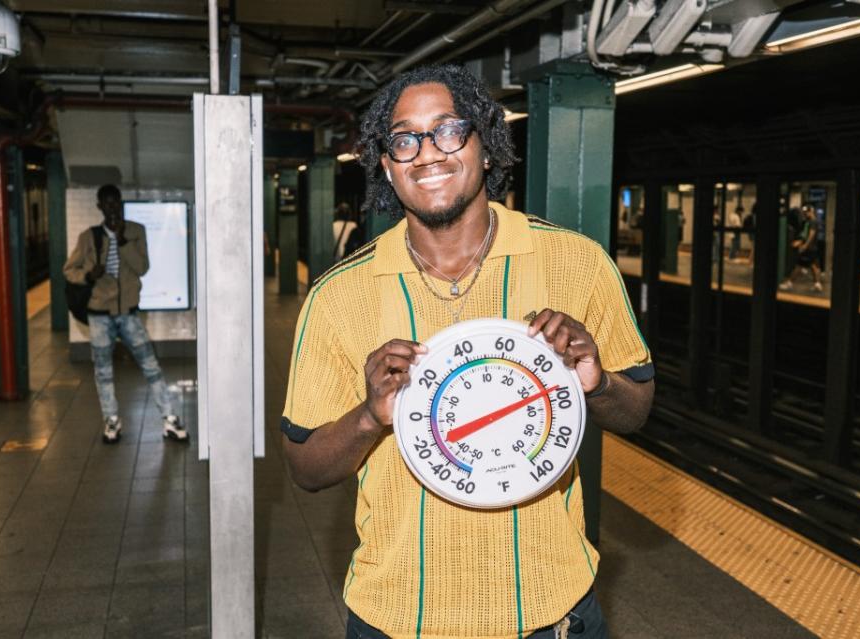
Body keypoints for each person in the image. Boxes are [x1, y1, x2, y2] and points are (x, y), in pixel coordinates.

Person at [280, 65, 654, 639]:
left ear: (486, 145)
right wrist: (368, 417)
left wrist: (597, 382)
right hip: (396, 618)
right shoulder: (339, 296)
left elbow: (637, 410)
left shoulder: (577, 264)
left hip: (552, 616)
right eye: (403, 139)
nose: (426, 152)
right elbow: (304, 466)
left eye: (448, 130)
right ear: (386, 164)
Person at [63, 184, 188, 444]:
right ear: (100, 207)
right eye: (106, 204)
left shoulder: (135, 231)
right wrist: (87, 275)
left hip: (129, 314)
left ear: (120, 204)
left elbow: (142, 267)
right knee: (104, 371)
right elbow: (68, 270)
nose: (112, 209)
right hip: (99, 314)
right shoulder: (89, 237)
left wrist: (122, 243)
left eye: (115, 203)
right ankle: (112, 421)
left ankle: (169, 419)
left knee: (150, 365)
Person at [779, 205, 824, 292]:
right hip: (812, 248)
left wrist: (805, 245)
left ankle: (789, 283)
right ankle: (817, 284)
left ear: (811, 211)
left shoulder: (812, 222)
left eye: (807, 212)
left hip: (809, 248)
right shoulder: (809, 221)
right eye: (804, 212)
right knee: (814, 266)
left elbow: (811, 234)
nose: (805, 214)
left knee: (799, 266)